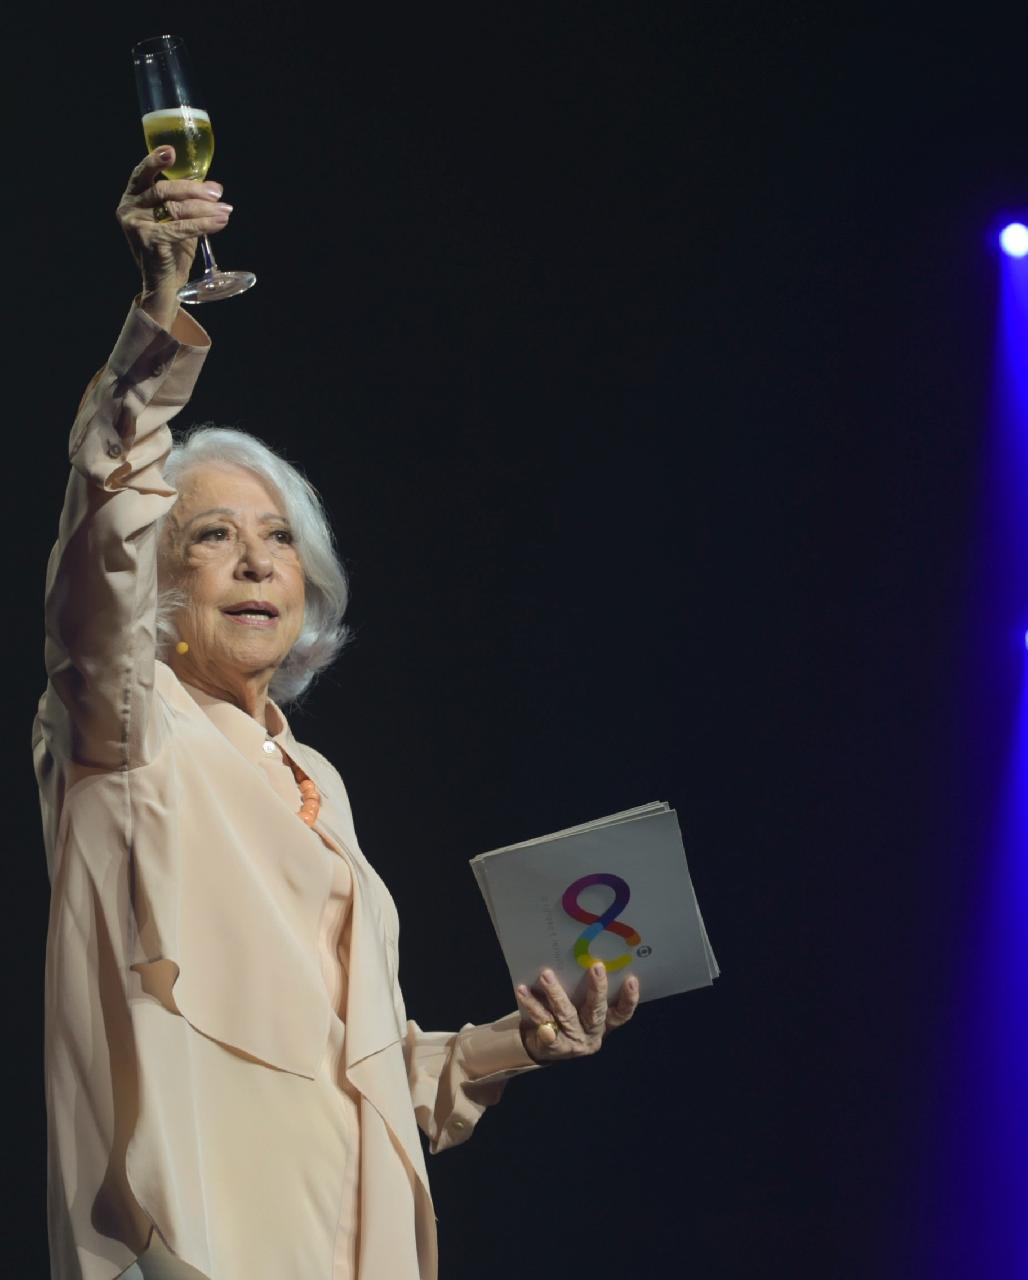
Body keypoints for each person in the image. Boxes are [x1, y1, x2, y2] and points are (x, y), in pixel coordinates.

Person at [34, 148, 644, 1280]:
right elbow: (97, 548)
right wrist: (159, 314)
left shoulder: (312, 777)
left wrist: (524, 1039)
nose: (254, 561)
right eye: (211, 536)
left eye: (277, 541)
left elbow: (361, 1077)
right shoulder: (129, 732)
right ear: (159, 590)